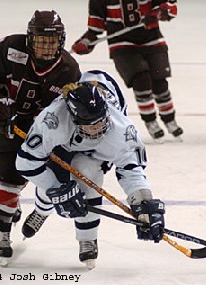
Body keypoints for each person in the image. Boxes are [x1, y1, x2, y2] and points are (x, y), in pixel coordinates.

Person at [15, 73, 165, 269]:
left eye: (101, 121)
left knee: (89, 178)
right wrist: (58, 190)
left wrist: (143, 202)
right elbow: (26, 163)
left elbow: (131, 169)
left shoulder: (121, 129)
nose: (98, 128)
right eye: (90, 125)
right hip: (65, 143)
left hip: (95, 152)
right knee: (51, 187)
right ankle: (42, 210)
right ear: (74, 117)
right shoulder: (53, 121)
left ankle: (88, 238)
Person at [0, 10, 81, 266]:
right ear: (30, 39)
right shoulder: (10, 47)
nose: (45, 47)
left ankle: (9, 204)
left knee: (29, 171)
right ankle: (0, 230)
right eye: (41, 40)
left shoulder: (68, 69)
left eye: (51, 41)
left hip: (40, 128)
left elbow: (65, 113)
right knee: (9, 169)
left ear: (61, 41)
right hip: (3, 116)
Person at [71, 0, 183, 142]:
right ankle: (150, 121)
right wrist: (85, 42)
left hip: (152, 39)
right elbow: (95, 29)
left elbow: (170, 9)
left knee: (159, 83)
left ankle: (169, 120)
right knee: (141, 80)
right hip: (121, 45)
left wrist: (159, 12)